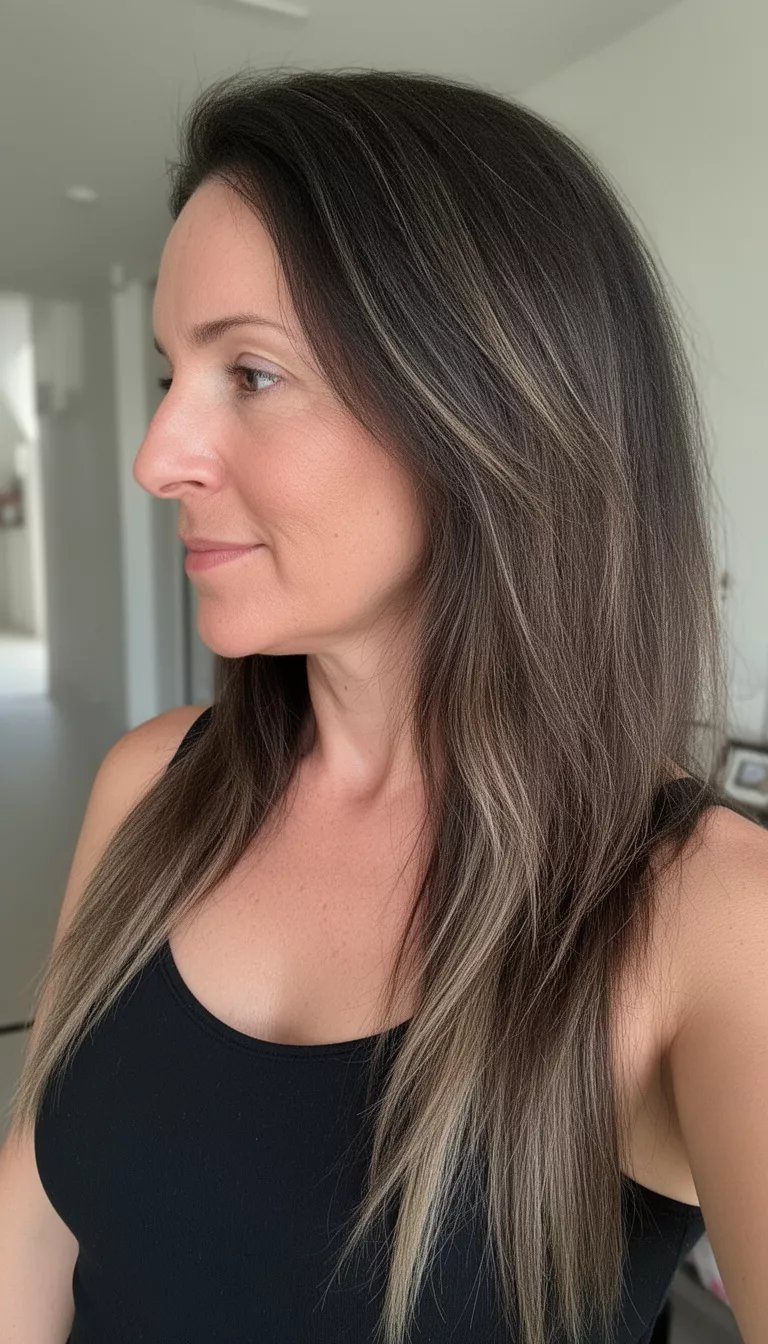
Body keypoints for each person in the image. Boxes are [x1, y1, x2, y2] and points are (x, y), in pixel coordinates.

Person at [1, 68, 766, 1344]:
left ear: (494, 411)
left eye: (251, 372)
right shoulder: (149, 787)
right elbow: (31, 1225)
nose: (157, 457)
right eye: (168, 375)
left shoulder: (704, 918)